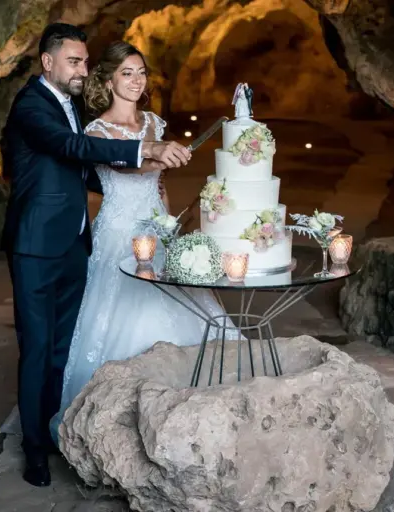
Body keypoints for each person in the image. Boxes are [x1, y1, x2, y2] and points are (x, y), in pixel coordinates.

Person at [0, 23, 191, 488]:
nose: (82, 69)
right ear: (48, 62)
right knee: (37, 347)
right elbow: (71, 146)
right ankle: (35, 451)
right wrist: (143, 148)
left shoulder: (67, 105)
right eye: (74, 61)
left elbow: (81, 169)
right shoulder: (32, 105)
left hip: (76, 244)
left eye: (85, 61)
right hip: (35, 248)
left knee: (62, 349)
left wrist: (141, 174)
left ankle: (55, 428)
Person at [50, 41, 236, 445]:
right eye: (127, 73)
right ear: (109, 80)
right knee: (120, 316)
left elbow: (160, 183)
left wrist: (169, 223)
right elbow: (127, 166)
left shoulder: (153, 123)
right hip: (118, 234)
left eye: (141, 73)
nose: (136, 81)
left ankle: (190, 415)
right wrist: (157, 157)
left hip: (157, 232)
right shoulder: (96, 130)